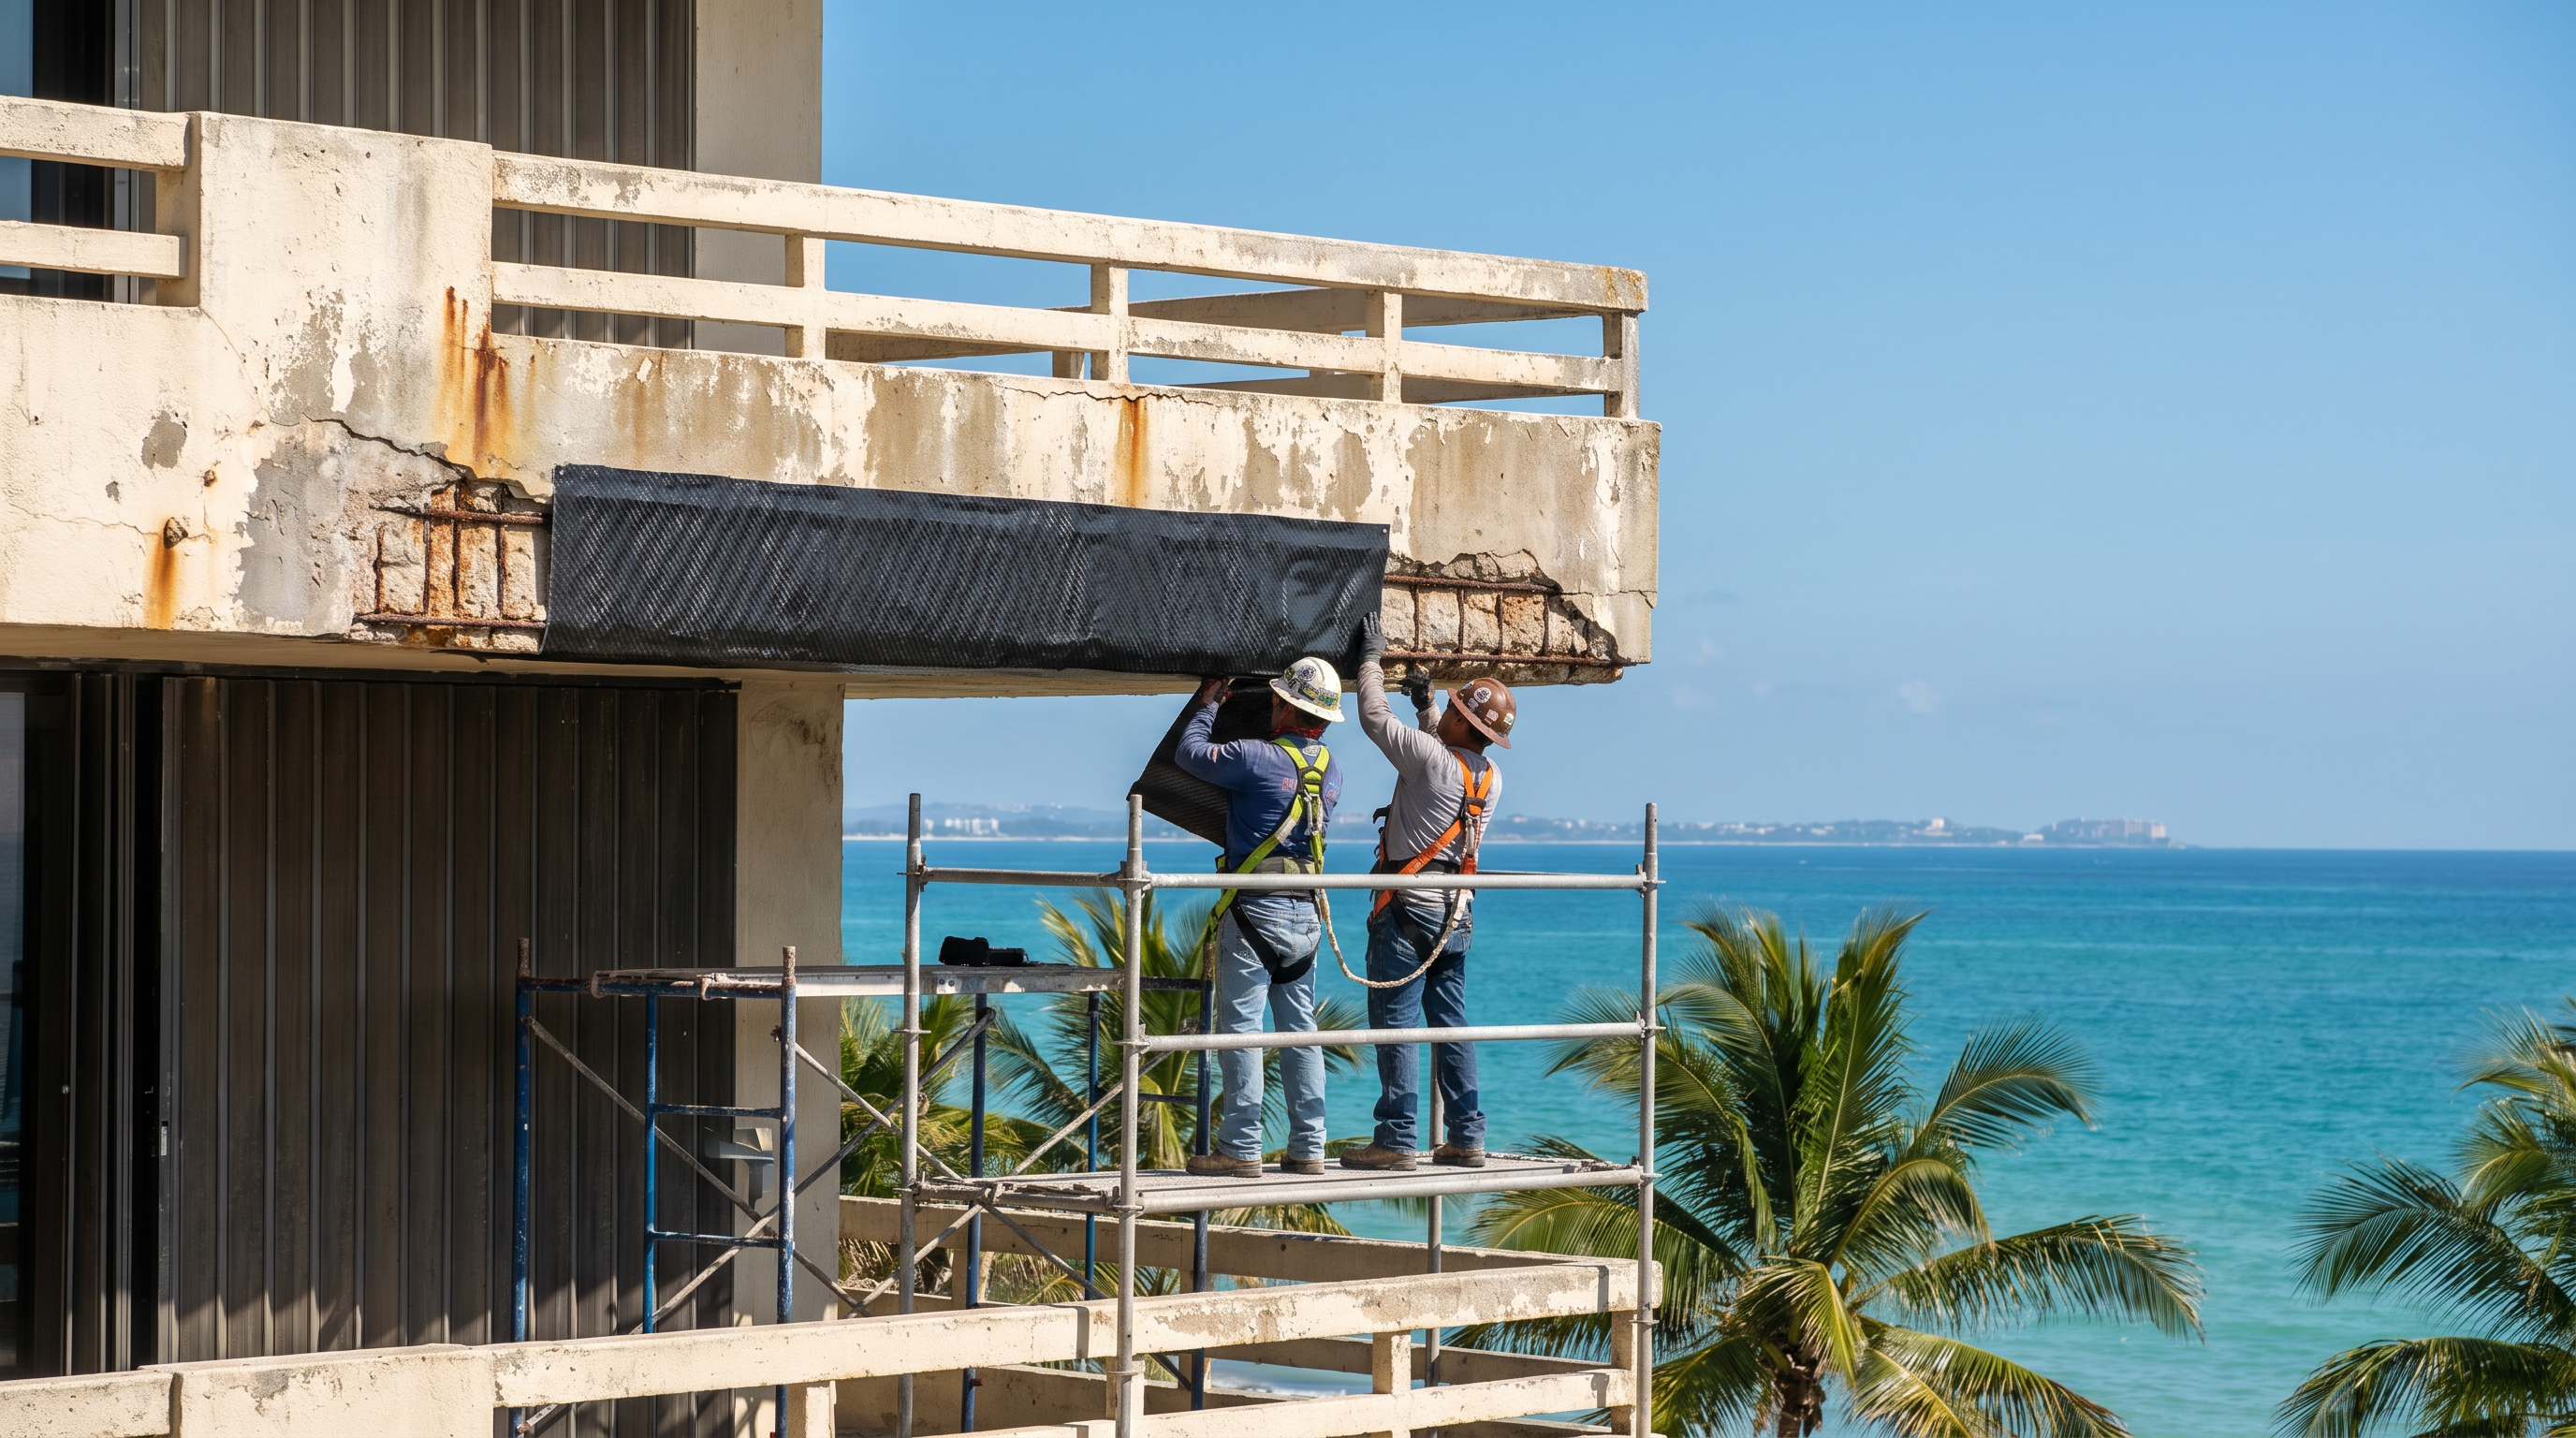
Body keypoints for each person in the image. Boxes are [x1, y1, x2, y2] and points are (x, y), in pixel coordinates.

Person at [1341, 615, 1514, 1172]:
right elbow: (1447, 744)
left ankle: (1395, 1139)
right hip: (1455, 914)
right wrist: (1427, 706)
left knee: (1395, 1023)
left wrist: (1370, 660)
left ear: (1463, 723)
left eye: (1452, 714)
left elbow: (1372, 717)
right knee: (1451, 1022)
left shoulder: (1431, 761)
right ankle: (1467, 1135)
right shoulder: (1488, 776)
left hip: (1407, 909)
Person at [1172, 656, 1347, 1178]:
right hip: (1306, 914)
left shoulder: (1256, 757)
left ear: (1284, 706)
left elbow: (1190, 754)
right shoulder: (1331, 769)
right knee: (1299, 1030)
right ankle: (1310, 1146)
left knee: (1242, 1030)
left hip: (1256, 908)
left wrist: (1207, 706)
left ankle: (1241, 1148)